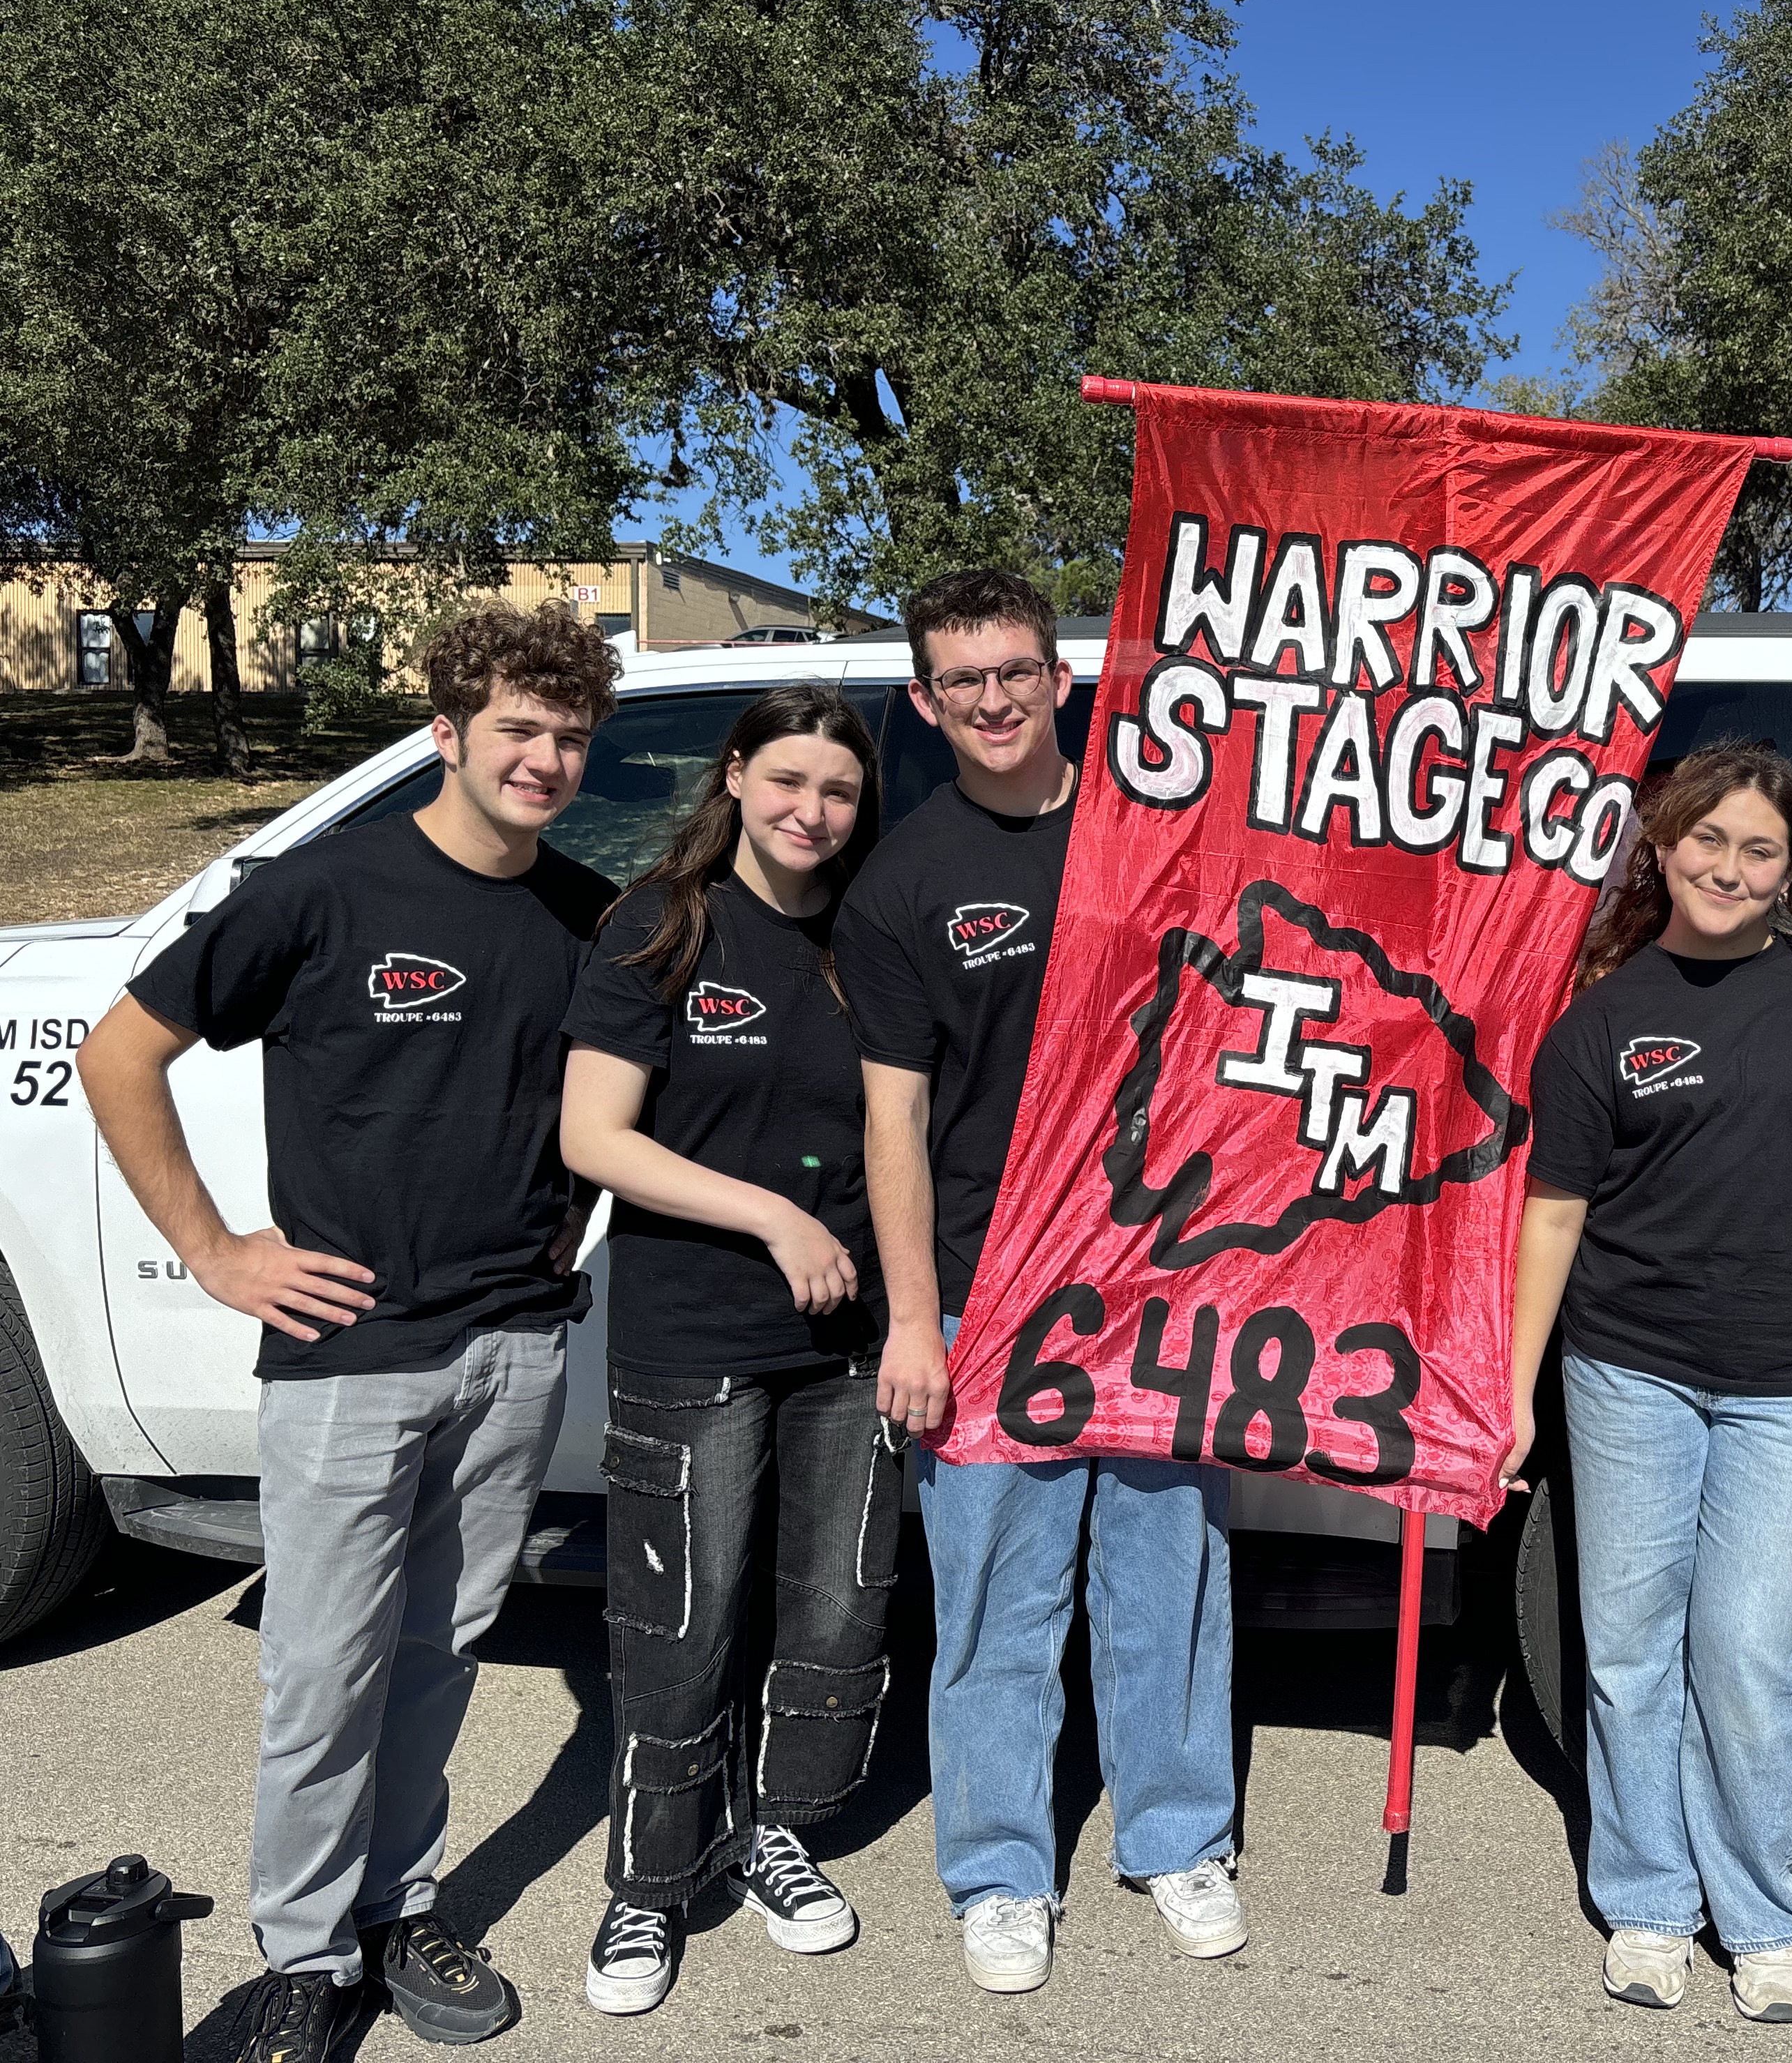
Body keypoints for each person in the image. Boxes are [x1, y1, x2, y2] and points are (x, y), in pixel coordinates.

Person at [77, 605, 620, 2062]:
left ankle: (397, 1906)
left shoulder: (581, 915)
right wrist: (214, 1249)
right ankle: (305, 1958)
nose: (545, 758)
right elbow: (120, 1052)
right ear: (445, 735)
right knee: (324, 1672)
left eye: (570, 735)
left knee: (440, 1650)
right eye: (516, 729)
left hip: (513, 1346)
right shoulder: (322, 894)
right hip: (349, 1352)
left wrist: (559, 1225)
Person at [834, 568, 1243, 1996]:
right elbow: (893, 1115)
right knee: (998, 1605)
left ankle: (1178, 1839)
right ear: (925, 702)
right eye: (965, 682)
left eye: (1017, 671)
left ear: (1063, 680)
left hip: (1156, 1279)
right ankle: (1001, 1872)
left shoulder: (1160, 831)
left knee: (1169, 1584)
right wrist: (910, 1318)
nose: (995, 700)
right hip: (985, 1293)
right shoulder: (902, 885)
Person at [1507, 741, 1792, 2027]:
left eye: (1760, 850)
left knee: (1745, 1647)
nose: (1729, 869)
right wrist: (1515, 1392)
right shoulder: (1603, 1019)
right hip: (1632, 1371)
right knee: (1628, 1647)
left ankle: (1763, 1911)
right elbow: (1554, 1215)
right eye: (1707, 841)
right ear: (1659, 848)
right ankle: (1646, 1900)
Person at [559, 684, 903, 2016]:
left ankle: (781, 1836)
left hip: (854, 1342)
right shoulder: (665, 923)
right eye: (789, 782)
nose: (812, 813)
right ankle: (649, 1885)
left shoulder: (872, 938)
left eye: (840, 791)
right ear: (739, 775)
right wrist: (772, 1217)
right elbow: (596, 1138)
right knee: (679, 1624)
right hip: (696, 1331)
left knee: (835, 1605)